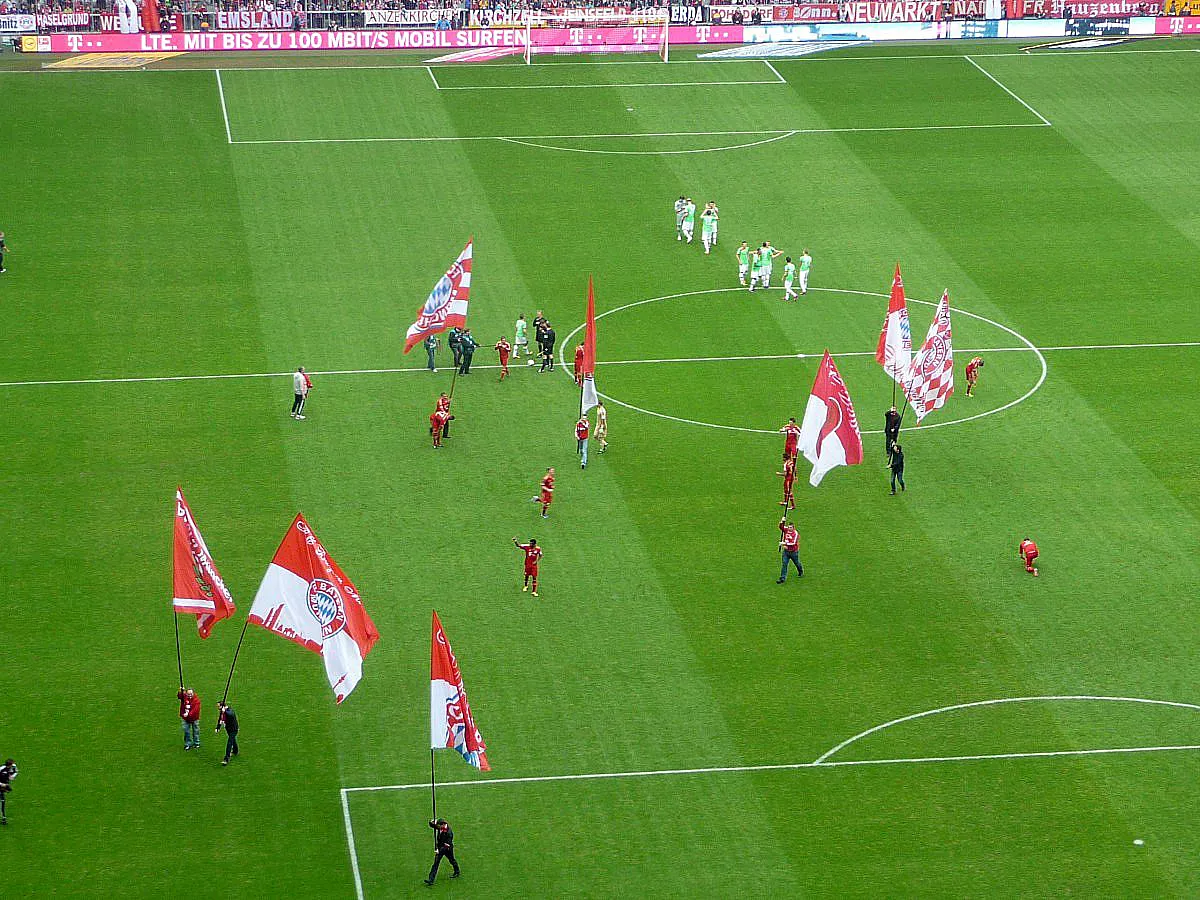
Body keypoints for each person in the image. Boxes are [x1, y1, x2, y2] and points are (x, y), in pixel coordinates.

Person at [424, 818, 461, 885]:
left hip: (447, 849)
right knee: (436, 863)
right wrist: (432, 821)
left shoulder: (449, 833)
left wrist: (438, 850)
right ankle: (431, 879)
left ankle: (457, 871)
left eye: (439, 826)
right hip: (440, 848)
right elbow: (432, 825)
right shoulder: (441, 826)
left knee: (452, 860)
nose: (438, 827)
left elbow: (447, 845)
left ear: (443, 824)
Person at [777, 517, 802, 583]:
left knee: (797, 563)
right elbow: (781, 527)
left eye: (791, 527)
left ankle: (800, 571)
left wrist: (784, 543)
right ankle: (782, 578)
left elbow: (793, 543)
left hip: (793, 552)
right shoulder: (786, 530)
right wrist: (782, 521)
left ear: (793, 528)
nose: (789, 528)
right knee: (784, 564)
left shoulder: (795, 534)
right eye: (789, 527)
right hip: (786, 552)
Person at [216, 701, 239, 766]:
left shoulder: (229, 710)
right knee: (232, 740)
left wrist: (225, 711)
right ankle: (235, 751)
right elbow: (220, 719)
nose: (218, 708)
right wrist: (218, 727)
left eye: (219, 706)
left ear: (222, 706)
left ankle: (226, 759)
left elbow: (231, 715)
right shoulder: (222, 711)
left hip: (233, 729)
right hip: (228, 729)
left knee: (229, 743)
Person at [0, 758, 17, 825]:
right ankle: (3, 818)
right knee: (2, 802)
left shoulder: (13, 767)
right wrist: (3, 785)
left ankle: (3, 818)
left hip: (2, 787)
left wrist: (12, 777)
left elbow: (15, 772)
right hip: (1, 786)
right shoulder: (1, 769)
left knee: (2, 802)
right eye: (12, 765)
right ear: (9, 765)